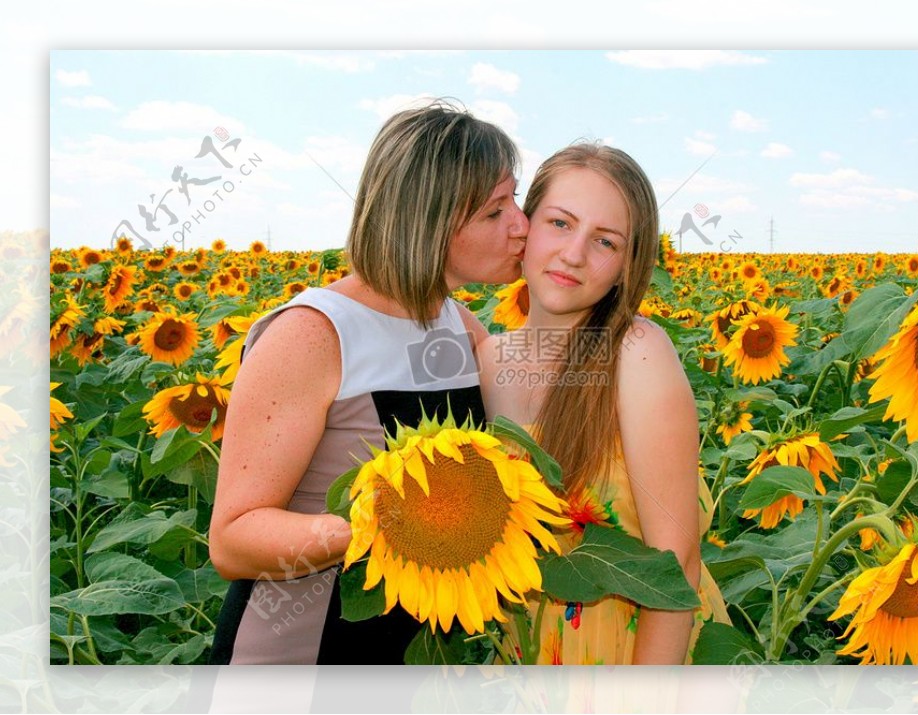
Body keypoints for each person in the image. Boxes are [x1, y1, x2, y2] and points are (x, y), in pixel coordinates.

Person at [208, 101, 528, 664]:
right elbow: (233, 539)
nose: (519, 226)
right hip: (301, 652)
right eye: (495, 211)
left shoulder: (457, 322)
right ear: (427, 219)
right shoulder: (312, 334)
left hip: (412, 652)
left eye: (516, 201)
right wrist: (384, 527)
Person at [478, 143, 701, 664]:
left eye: (604, 241)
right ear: (523, 226)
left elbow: (678, 563)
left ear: (627, 266)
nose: (574, 254)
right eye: (559, 223)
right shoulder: (487, 360)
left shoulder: (636, 354)